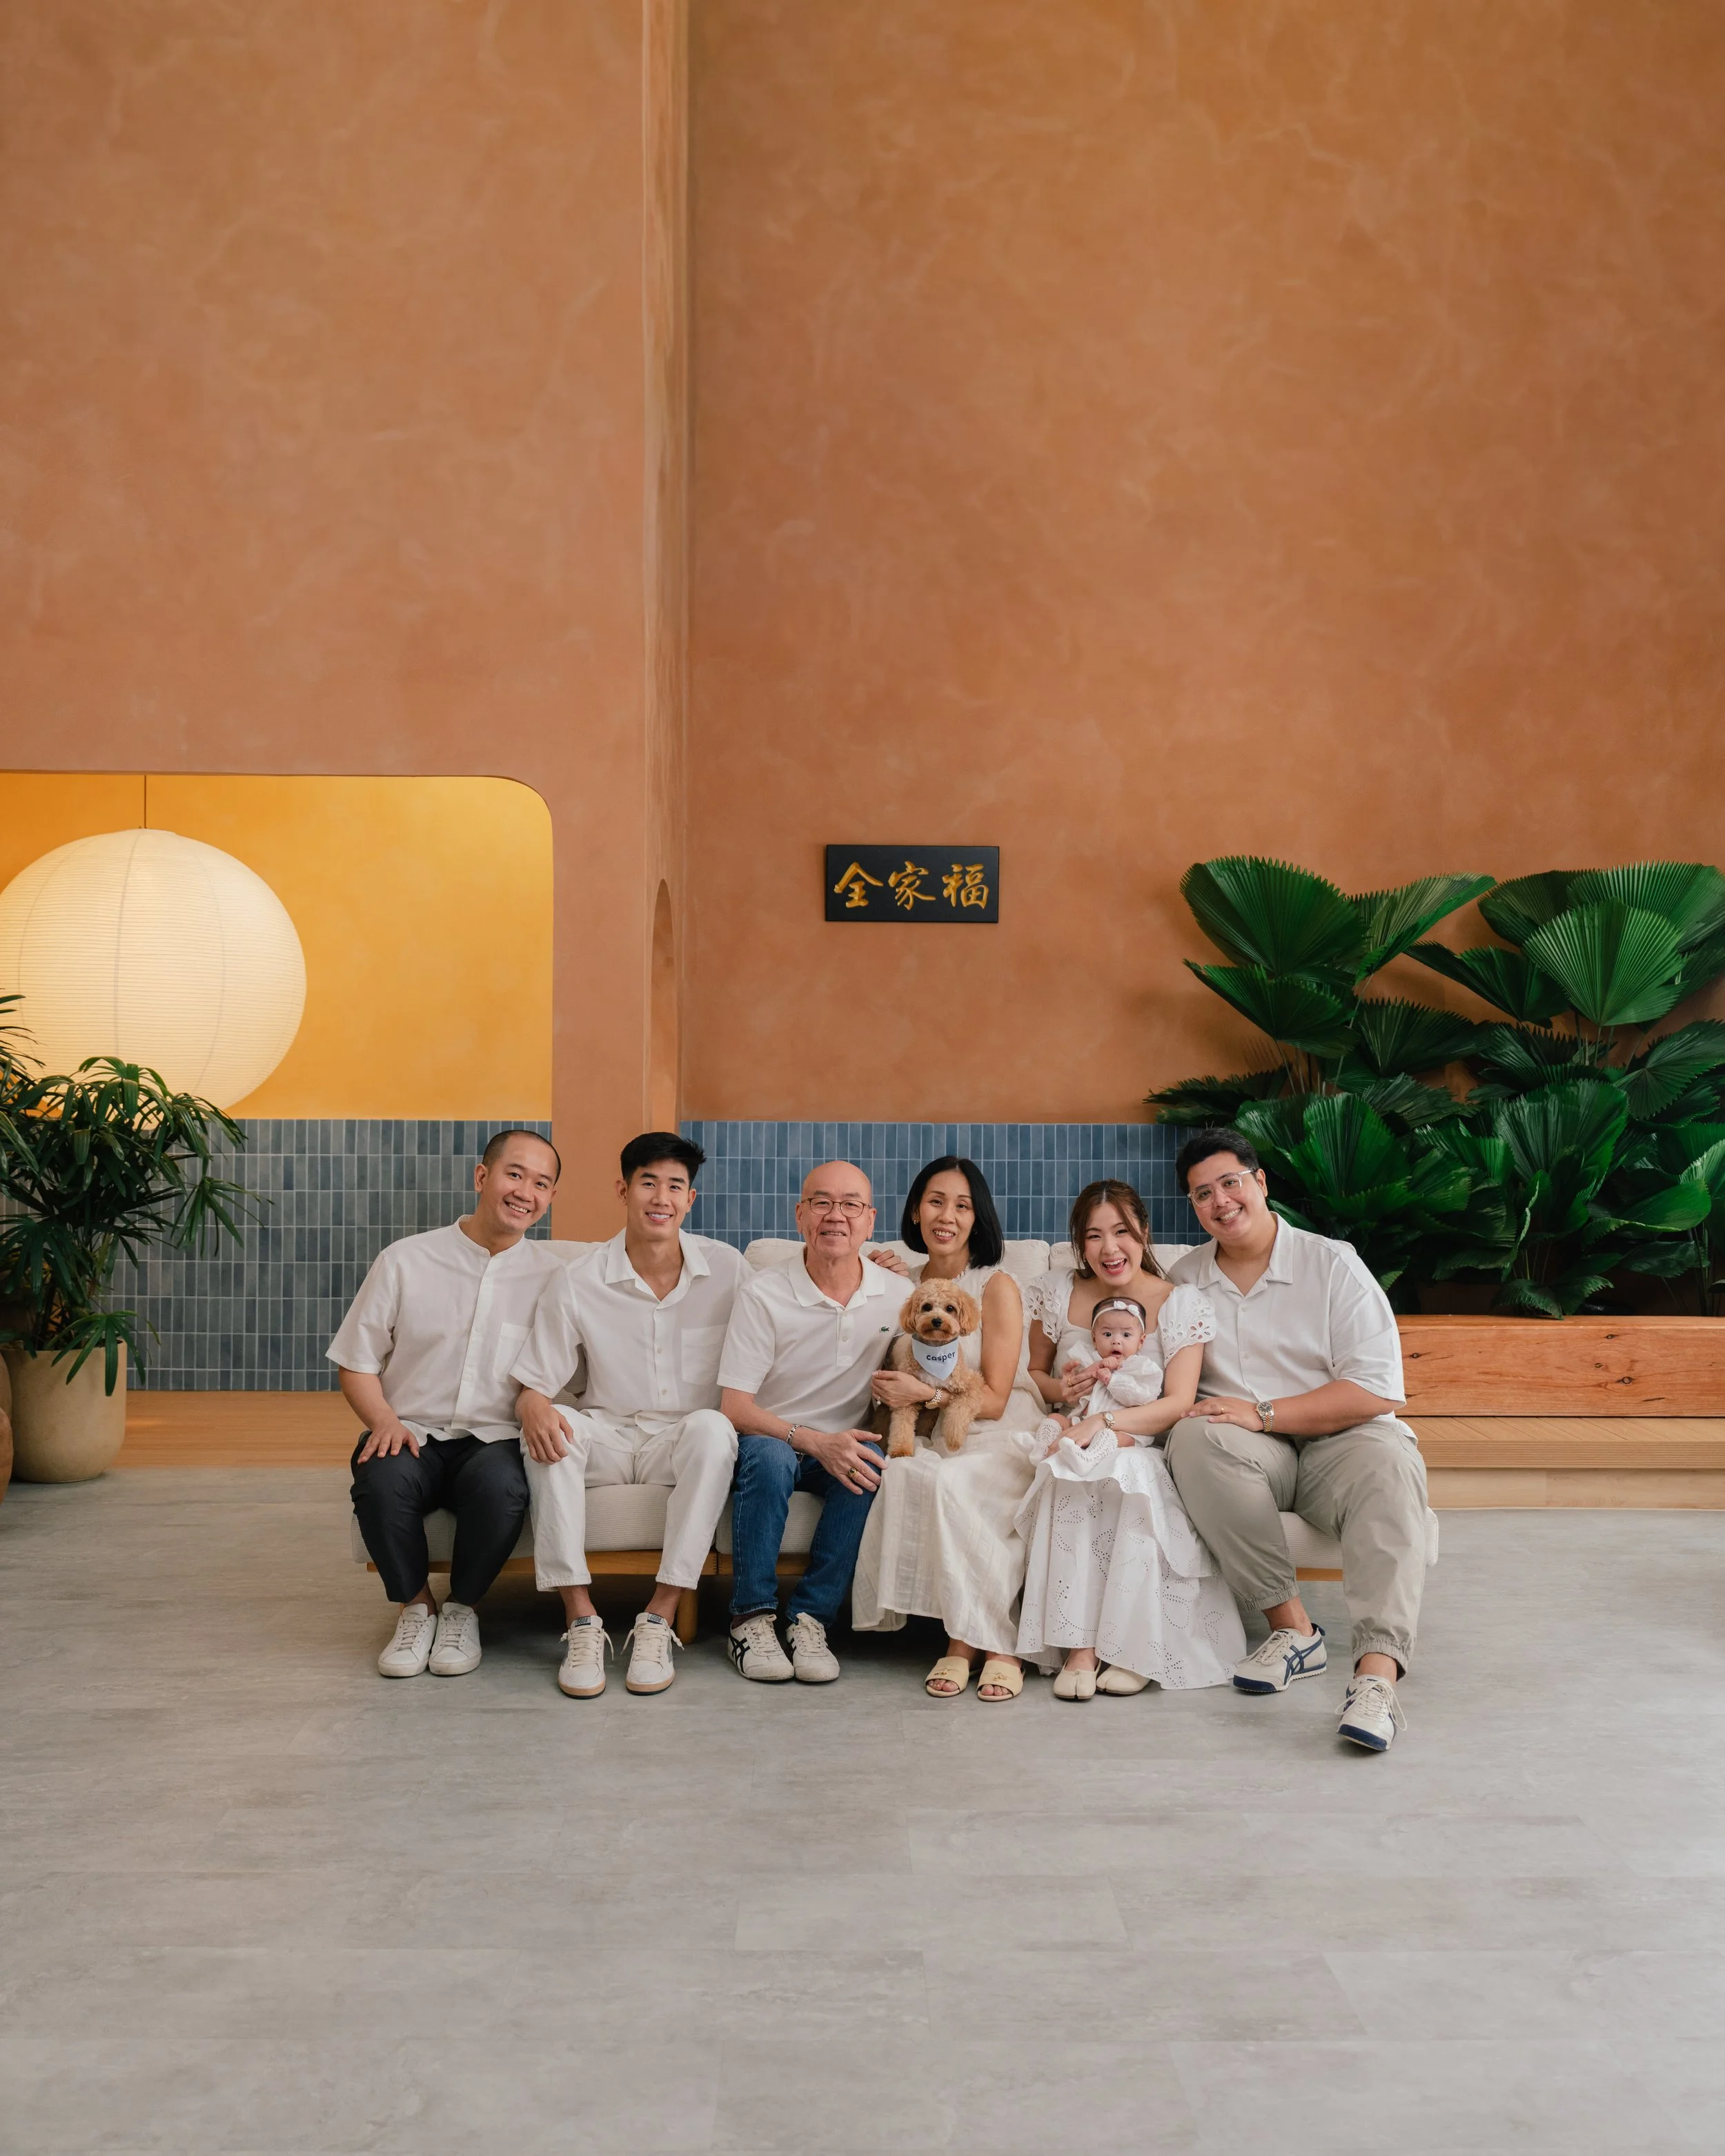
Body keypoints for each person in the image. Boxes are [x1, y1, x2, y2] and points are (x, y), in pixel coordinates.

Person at [1165, 1127, 1429, 1754]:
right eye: (1202, 1194)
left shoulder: (1332, 1263)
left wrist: (1265, 1411)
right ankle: (1294, 1633)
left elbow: (1377, 1389)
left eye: (1230, 1182)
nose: (1220, 1201)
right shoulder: (1186, 1278)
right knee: (1194, 1434)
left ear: (1261, 1182)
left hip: (1341, 1438)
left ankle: (1376, 1678)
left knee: (1390, 1458)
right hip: (1252, 1454)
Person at [509, 1132, 743, 1699]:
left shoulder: (729, 1269)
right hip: (608, 1432)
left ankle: (659, 1618)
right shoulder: (579, 1278)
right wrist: (533, 1404)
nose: (660, 1197)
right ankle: (581, 1618)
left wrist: (875, 1264)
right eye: (648, 1182)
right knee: (550, 1432)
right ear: (624, 1189)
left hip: (683, 1438)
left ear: (691, 1199)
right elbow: (534, 1384)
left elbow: (789, 1307)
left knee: (717, 1430)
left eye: (675, 1186)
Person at [333, 1129, 564, 1681]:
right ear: (482, 1177)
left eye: (541, 1183)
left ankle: (462, 1610)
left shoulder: (555, 1278)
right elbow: (356, 1360)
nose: (524, 1192)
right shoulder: (406, 1260)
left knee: (505, 1488)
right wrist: (384, 1420)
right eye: (515, 1174)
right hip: (411, 1427)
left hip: (495, 1439)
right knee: (379, 1476)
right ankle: (416, 1609)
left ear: (550, 1198)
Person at [1016, 1183, 1245, 1700]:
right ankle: (1079, 1648)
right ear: (1078, 1241)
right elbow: (1035, 1372)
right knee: (1069, 1468)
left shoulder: (1179, 1302)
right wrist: (1065, 1388)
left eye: (1121, 1231)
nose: (1109, 1248)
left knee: (1128, 1472)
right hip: (1074, 1431)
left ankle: (1134, 1647)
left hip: (1145, 1441)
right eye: (1093, 1235)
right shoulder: (1057, 1291)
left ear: (1144, 1230)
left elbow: (1178, 1399)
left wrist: (1107, 1426)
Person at [849, 1157, 1045, 1701]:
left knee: (957, 1483)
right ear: (915, 1210)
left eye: (963, 1205)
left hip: (997, 1426)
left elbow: (999, 1395)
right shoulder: (895, 1285)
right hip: (927, 1432)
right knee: (913, 1477)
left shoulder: (995, 1285)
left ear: (978, 1217)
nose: (947, 1216)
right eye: (936, 1201)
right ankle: (966, 1637)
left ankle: (982, 1644)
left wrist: (929, 1394)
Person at [718, 1160, 913, 1683]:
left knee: (869, 1461)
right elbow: (734, 1407)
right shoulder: (763, 1293)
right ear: (800, 1214)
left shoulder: (897, 1295)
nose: (836, 1215)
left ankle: (809, 1619)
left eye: (851, 1204)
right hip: (770, 1439)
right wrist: (813, 1441)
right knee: (772, 1452)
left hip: (841, 1448)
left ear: (870, 1221)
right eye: (822, 1202)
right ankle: (751, 1618)